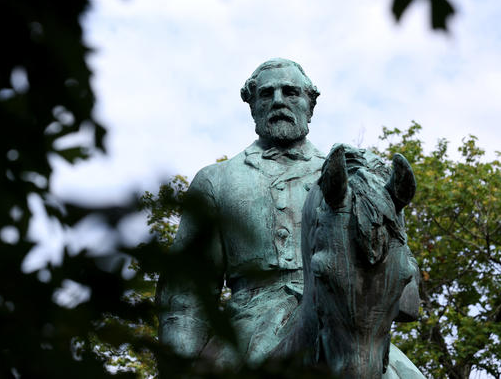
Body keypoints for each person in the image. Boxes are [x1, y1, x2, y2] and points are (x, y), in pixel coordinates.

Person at [156, 58, 422, 374]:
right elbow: (188, 292)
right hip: (250, 324)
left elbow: (392, 260)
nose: (279, 100)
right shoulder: (216, 180)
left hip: (346, 321)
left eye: (291, 92)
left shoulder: (353, 177)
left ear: (311, 103)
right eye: (267, 94)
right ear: (252, 105)